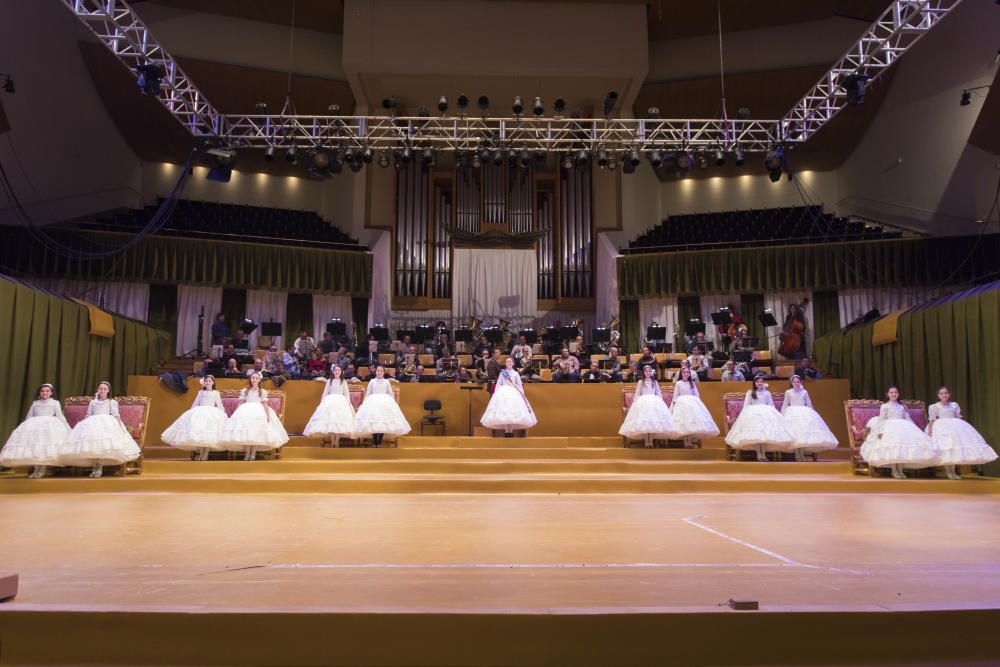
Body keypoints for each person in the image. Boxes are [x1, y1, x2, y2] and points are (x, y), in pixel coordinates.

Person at [60, 381, 140, 477]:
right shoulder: (93, 402)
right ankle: (95, 467)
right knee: (94, 446)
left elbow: (116, 415)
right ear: (98, 390)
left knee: (103, 445)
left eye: (104, 389)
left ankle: (99, 468)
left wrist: (120, 427)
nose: (102, 390)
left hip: (106, 423)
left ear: (108, 391)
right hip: (93, 422)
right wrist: (83, 426)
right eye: (100, 389)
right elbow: (89, 414)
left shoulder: (112, 402)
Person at [860, 386, 939, 479]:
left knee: (901, 449)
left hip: (902, 428)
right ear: (888, 394)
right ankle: (894, 470)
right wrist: (880, 431)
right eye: (891, 392)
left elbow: (907, 418)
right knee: (894, 449)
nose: (894, 394)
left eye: (895, 392)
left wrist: (915, 429)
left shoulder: (902, 406)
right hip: (890, 428)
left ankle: (900, 470)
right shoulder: (885, 406)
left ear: (898, 394)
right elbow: (881, 420)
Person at [0, 383, 71, 479]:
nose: (44, 393)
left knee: (45, 447)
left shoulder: (55, 403)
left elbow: (59, 416)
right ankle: (36, 469)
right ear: (39, 393)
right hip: (35, 426)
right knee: (36, 449)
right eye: (42, 391)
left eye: (47, 391)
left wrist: (66, 426)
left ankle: (42, 469)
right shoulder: (35, 403)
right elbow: (29, 416)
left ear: (51, 393)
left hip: (48, 426)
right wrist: (25, 427)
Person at [926, 386, 997, 480]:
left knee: (954, 449)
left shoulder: (954, 405)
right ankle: (949, 472)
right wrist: (930, 432)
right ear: (938, 395)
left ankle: (953, 472)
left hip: (954, 426)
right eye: (942, 393)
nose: (944, 395)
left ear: (949, 394)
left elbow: (957, 417)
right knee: (947, 449)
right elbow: (931, 420)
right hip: (942, 427)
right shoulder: (935, 406)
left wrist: (962, 429)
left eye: (946, 393)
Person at [219, 372, 289, 461]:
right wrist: (237, 413)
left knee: (256, 433)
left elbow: (265, 404)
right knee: (248, 433)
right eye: (253, 378)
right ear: (250, 379)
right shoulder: (245, 391)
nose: (254, 380)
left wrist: (267, 415)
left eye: (256, 378)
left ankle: (253, 454)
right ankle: (247, 453)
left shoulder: (262, 392)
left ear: (259, 380)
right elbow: (241, 403)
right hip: (246, 411)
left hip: (258, 412)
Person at [724, 375, 793, 462]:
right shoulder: (750, 392)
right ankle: (759, 454)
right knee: (756, 435)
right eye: (757, 382)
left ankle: (763, 454)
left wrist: (774, 415)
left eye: (761, 382)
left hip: (765, 415)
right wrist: (743, 416)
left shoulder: (767, 393)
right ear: (754, 383)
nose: (760, 383)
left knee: (763, 435)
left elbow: (771, 405)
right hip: (754, 415)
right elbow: (746, 405)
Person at [161, 375, 228, 461]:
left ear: (213, 383)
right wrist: (191, 413)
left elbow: (219, 405)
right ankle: (200, 454)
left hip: (211, 414)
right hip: (200, 413)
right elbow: (195, 403)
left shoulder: (216, 393)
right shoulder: (200, 392)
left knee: (208, 435)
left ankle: (205, 454)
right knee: (200, 435)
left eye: (209, 381)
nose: (207, 382)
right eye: (206, 381)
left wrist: (223, 413)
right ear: (204, 383)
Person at [780, 374, 838, 461]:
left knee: (802, 434)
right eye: (794, 382)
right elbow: (785, 404)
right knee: (796, 433)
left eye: (798, 382)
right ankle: (797, 454)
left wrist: (812, 414)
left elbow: (809, 403)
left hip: (803, 413)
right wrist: (782, 415)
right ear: (791, 383)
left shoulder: (804, 392)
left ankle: (802, 454)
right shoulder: (788, 392)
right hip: (792, 413)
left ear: (800, 382)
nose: (796, 383)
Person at [619, 365, 676, 449]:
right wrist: (636, 403)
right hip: (643, 403)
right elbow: (637, 393)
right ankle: (646, 441)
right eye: (646, 371)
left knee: (652, 422)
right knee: (645, 422)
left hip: (653, 403)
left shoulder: (654, 382)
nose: (648, 373)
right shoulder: (641, 382)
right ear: (644, 373)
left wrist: (660, 402)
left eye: (649, 371)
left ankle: (651, 440)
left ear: (651, 372)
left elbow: (658, 393)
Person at [354, 365, 411, 446]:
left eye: (381, 371)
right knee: (374, 422)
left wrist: (393, 405)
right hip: (373, 403)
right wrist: (364, 404)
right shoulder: (372, 381)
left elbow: (390, 394)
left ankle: (379, 441)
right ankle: (375, 441)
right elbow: (368, 394)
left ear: (383, 372)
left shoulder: (386, 382)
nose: (379, 372)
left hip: (384, 404)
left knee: (382, 423)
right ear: (375, 372)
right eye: (378, 371)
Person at [480, 357, 537, 437]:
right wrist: (497, 394)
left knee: (513, 413)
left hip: (514, 394)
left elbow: (519, 385)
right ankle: (507, 431)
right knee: (505, 412)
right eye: (507, 362)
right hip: (504, 393)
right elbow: (499, 384)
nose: (508, 363)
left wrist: (521, 393)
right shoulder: (502, 373)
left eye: (510, 362)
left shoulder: (516, 374)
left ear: (513, 363)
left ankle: (511, 431)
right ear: (505, 363)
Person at [303, 365, 356, 448]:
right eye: (335, 370)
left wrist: (348, 403)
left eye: (339, 370)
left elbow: (346, 394)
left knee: (338, 423)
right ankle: (332, 441)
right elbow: (325, 393)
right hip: (330, 402)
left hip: (341, 403)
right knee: (331, 423)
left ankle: (337, 441)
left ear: (341, 372)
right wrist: (322, 403)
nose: (337, 372)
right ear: (333, 372)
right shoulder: (329, 381)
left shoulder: (343, 381)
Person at [671, 366, 720, 448]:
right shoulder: (678, 383)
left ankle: (689, 441)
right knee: (684, 422)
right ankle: (685, 441)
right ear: (681, 374)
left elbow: (696, 394)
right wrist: (674, 405)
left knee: (691, 423)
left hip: (691, 405)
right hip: (682, 404)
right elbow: (675, 396)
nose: (686, 374)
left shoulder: (692, 383)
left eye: (687, 372)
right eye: (684, 372)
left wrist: (698, 404)